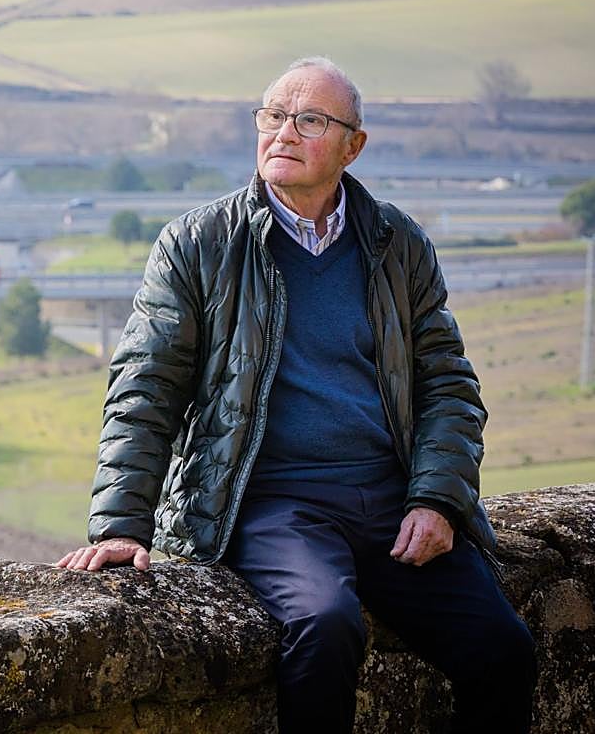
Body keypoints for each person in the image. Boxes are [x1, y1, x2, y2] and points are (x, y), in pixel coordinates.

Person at [56, 57, 536, 733]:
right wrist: (119, 527)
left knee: (503, 649)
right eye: (272, 115)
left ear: (352, 145)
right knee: (325, 625)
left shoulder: (398, 244)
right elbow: (145, 391)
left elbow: (450, 387)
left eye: (309, 119)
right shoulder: (197, 245)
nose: (283, 132)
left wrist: (436, 499)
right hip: (275, 504)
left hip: (391, 501)